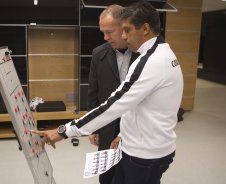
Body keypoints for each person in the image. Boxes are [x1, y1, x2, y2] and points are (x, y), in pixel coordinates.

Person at [32, 2, 183, 184]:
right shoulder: (161, 52)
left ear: (144, 29)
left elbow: (116, 103)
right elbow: (134, 103)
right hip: (134, 145)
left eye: (126, 30)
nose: (125, 37)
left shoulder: (151, 62)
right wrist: (123, 136)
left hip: (145, 154)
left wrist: (64, 131)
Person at [87, 4, 139, 184]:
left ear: (125, 27)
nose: (105, 37)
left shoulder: (144, 54)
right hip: (108, 126)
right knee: (107, 175)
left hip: (137, 127)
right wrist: (94, 126)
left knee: (132, 174)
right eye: (103, 32)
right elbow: (93, 92)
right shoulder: (98, 54)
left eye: (110, 32)